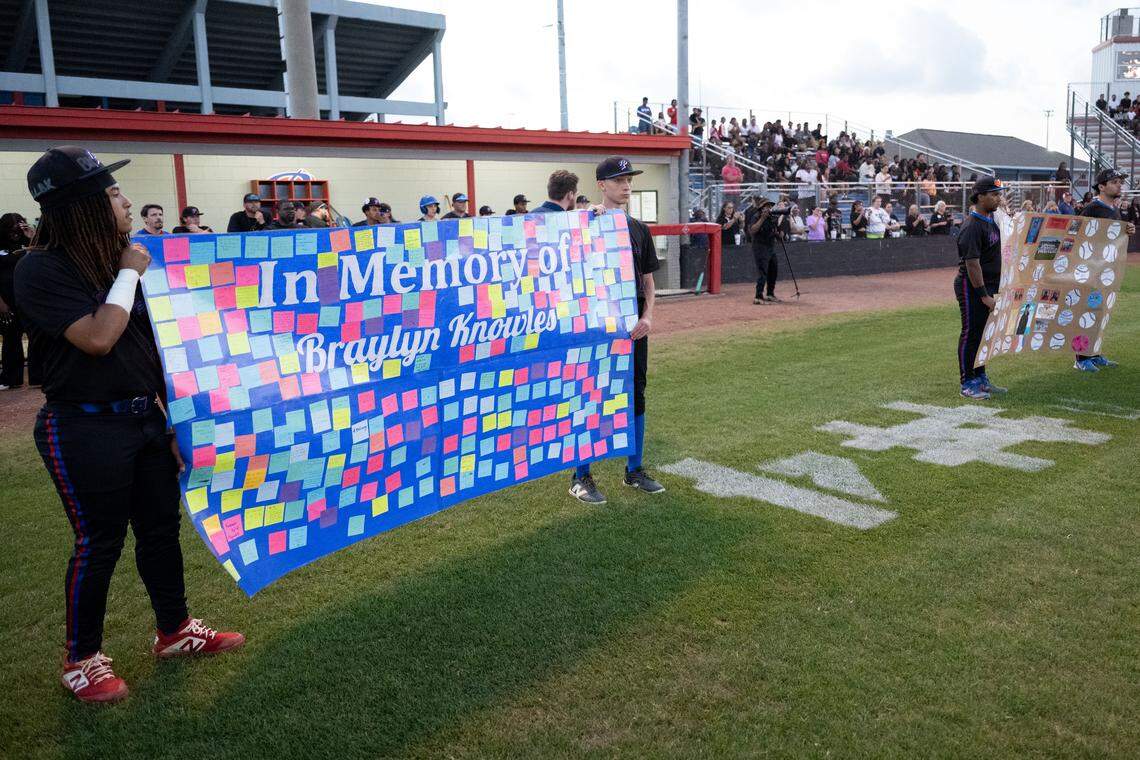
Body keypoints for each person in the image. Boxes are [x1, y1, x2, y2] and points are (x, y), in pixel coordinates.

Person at [13, 146, 244, 704]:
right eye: (113, 193)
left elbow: (158, 348)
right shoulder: (39, 268)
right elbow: (98, 337)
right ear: (84, 205)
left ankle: (175, 630)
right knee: (100, 542)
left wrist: (170, 422)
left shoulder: (121, 258)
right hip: (82, 428)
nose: (126, 201)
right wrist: (126, 275)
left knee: (161, 531)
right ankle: (81, 659)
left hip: (143, 422)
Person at [569, 157, 663, 504]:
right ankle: (581, 476)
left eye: (629, 179)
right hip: (597, 327)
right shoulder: (586, 223)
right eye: (619, 179)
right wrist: (584, 220)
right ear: (601, 185)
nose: (626, 185)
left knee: (636, 393)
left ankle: (634, 470)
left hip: (634, 327)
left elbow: (649, 282)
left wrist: (648, 316)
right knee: (591, 394)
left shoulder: (640, 228)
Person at [1074, 169, 1133, 372]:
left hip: (1107, 271)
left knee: (1100, 313)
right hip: (1092, 271)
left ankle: (1094, 353)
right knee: (1087, 313)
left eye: (1120, 182)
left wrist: (1127, 231)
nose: (1119, 185)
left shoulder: (1113, 209)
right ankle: (1081, 358)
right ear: (1101, 186)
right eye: (1115, 182)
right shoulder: (1093, 208)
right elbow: (1078, 233)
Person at [955, 177, 1006, 400]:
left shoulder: (990, 220)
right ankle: (967, 382)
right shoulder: (972, 225)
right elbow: (972, 263)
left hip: (988, 286)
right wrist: (984, 295)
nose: (998, 198)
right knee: (971, 333)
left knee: (984, 335)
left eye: (999, 194)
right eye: (994, 194)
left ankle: (981, 377)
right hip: (971, 287)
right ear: (979, 196)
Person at [1, 212, 42, 390]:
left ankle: (38, 377)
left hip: (29, 299)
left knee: (36, 338)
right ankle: (11, 378)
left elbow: (43, 260)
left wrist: (33, 238)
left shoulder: (30, 244)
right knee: (11, 339)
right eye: (10, 228)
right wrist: (1, 303)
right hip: (7, 301)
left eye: (18, 226)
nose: (15, 232)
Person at [745, 194, 781, 304]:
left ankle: (770, 293)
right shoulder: (756, 216)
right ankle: (758, 296)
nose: (769, 208)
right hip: (760, 247)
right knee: (762, 272)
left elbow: (775, 232)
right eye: (767, 206)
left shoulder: (771, 218)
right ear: (762, 208)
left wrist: (778, 234)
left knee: (773, 270)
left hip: (770, 246)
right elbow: (752, 230)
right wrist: (762, 218)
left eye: (770, 206)